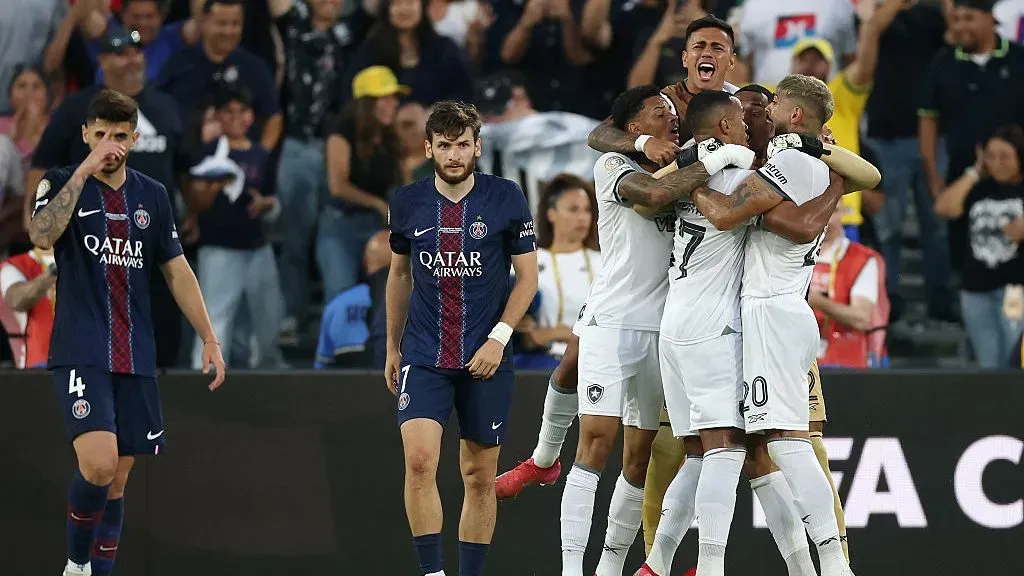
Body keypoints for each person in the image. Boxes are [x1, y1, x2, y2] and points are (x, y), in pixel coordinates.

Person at [637, 89, 873, 576]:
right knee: (730, 452)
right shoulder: (762, 166)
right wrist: (830, 176)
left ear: (795, 115)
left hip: (761, 316)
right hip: (747, 319)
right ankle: (809, 565)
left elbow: (763, 219)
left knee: (776, 444)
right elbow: (862, 180)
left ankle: (829, 563)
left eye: (770, 104)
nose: (757, 116)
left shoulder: (777, 164)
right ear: (724, 126)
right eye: (745, 115)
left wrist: (689, 182)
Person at [494, 85, 751, 504]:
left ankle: (640, 564)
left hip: (669, 320)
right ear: (687, 54)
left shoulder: (707, 122)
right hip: (613, 310)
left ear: (729, 58)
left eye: (718, 47)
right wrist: (679, 149)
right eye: (700, 45)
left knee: (644, 456)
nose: (671, 115)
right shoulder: (632, 149)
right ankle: (543, 459)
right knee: (577, 387)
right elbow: (607, 143)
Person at [25, 89, 225, 576]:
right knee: (97, 463)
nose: (109, 145)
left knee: (116, 480)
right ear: (85, 135)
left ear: (135, 138)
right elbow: (42, 236)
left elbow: (176, 271)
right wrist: (83, 170)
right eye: (100, 135)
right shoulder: (58, 182)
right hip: (81, 348)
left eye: (119, 136)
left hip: (135, 352)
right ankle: (75, 565)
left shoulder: (152, 195)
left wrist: (209, 337)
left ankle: (97, 571)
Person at [558, 85, 754, 576]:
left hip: (662, 328)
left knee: (639, 458)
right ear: (633, 129)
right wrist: (721, 155)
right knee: (595, 443)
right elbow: (651, 193)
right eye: (658, 112)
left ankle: (610, 567)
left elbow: (675, 182)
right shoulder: (615, 167)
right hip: (612, 322)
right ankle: (569, 568)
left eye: (673, 112)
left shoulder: (685, 165)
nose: (671, 118)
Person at [384, 101, 538, 576]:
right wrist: (392, 346)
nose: (454, 155)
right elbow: (399, 275)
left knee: (478, 476)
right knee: (419, 462)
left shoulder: (506, 197)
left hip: (486, 356)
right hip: (424, 354)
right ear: (428, 148)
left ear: (478, 147)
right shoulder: (407, 202)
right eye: (445, 146)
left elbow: (527, 278)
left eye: (463, 145)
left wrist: (499, 338)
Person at [187, 86, 284, 370]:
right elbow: (194, 202)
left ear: (251, 117)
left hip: (257, 245)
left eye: (242, 111)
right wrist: (213, 186)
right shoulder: (206, 153)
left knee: (268, 318)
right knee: (215, 320)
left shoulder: (261, 155)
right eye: (228, 111)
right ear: (217, 116)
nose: (235, 117)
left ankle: (268, 374)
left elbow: (274, 200)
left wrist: (267, 204)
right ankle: (204, 375)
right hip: (219, 246)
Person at [589, 15, 742, 162]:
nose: (707, 53)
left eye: (717, 48)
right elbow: (597, 135)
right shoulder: (664, 103)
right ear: (685, 58)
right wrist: (645, 142)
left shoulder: (742, 100)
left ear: (731, 61)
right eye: (699, 46)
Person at [934, 124, 1024, 367]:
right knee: (988, 362)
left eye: (1005, 156)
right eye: (991, 156)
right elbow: (944, 207)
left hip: (1015, 289)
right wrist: (975, 171)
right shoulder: (977, 189)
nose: (997, 163)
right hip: (975, 289)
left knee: (1014, 355)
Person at [322, 66, 404, 300]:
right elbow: (338, 186)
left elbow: (402, 177)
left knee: (383, 296)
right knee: (343, 297)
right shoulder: (341, 131)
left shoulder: (389, 137)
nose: (394, 104)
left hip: (375, 226)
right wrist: (378, 204)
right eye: (385, 99)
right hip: (340, 226)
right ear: (367, 103)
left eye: (394, 98)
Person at [514, 174, 601, 370]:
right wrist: (517, 324)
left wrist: (555, 332)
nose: (582, 217)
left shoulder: (604, 264)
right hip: (539, 362)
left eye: (587, 210)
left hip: (592, 361)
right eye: (573, 209)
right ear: (550, 213)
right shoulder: (527, 261)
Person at [809, 199, 890, 368]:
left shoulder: (862, 258)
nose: (828, 217)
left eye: (835, 210)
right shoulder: (790, 253)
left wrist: (816, 301)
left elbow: (862, 318)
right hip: (796, 357)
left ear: (845, 213)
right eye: (823, 209)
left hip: (843, 362)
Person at [346, 0, 473, 105]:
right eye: (397, 3)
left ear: (422, 7)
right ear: (387, 9)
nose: (404, 9)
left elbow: (464, 92)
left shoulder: (444, 49)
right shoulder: (372, 50)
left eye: (410, 2)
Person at [0, 246, 56, 368]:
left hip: (86, 362)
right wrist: (54, 271)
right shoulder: (15, 265)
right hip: (39, 365)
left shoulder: (90, 261)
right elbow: (16, 301)